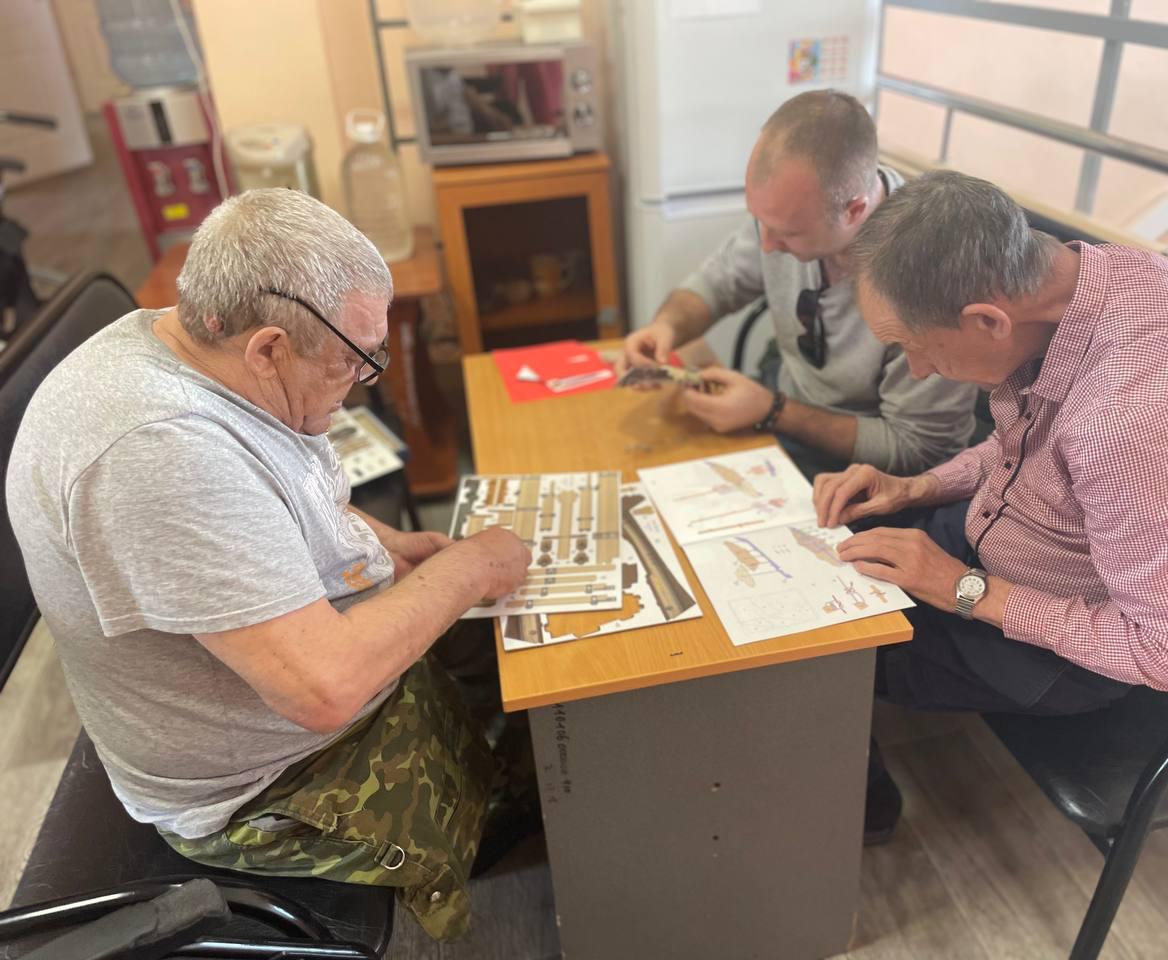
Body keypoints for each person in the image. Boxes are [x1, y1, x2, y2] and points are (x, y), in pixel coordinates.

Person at [6, 188, 532, 941]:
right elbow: (323, 689)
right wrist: (471, 568)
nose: (362, 383)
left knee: (507, 653)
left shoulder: (188, 349)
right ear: (268, 349)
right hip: (264, 784)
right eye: (354, 362)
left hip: (282, 686)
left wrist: (387, 543)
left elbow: (276, 498)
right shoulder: (157, 452)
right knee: (537, 762)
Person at [812, 170, 1168, 840]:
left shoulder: (1132, 424)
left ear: (987, 321)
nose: (918, 370)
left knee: (818, 650)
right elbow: (1021, 447)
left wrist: (962, 588)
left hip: (1062, 648)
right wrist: (917, 487)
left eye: (914, 346)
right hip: (990, 544)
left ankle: (859, 813)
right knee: (829, 549)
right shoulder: (1088, 279)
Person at [617, 89, 976, 479]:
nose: (767, 246)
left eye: (788, 233)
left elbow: (918, 448)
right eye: (760, 223)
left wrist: (773, 411)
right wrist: (666, 327)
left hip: (866, 475)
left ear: (855, 210)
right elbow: (717, 282)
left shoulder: (931, 277)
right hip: (783, 412)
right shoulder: (789, 215)